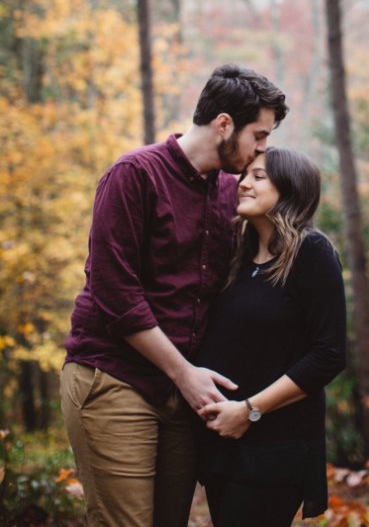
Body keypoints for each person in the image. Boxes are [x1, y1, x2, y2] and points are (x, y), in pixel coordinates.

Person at [60, 64, 288, 527]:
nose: (263, 148)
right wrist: (185, 374)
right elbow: (115, 293)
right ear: (224, 124)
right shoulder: (133, 175)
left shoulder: (232, 192)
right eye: (258, 135)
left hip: (183, 394)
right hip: (113, 378)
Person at [194, 146, 347, 527]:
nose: (243, 183)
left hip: (275, 447)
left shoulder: (312, 252)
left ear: (290, 189)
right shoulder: (238, 257)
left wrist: (249, 410)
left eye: (258, 177)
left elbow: (328, 354)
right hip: (223, 441)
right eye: (245, 175)